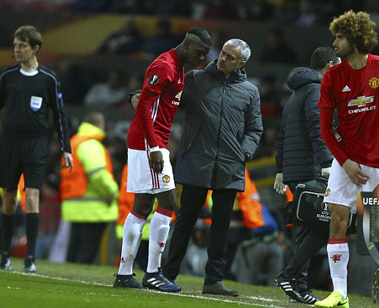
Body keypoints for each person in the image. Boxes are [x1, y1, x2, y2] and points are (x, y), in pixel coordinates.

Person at [314, 11, 379, 308]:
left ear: (357, 39)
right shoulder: (333, 77)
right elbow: (324, 129)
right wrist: (345, 161)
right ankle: (340, 294)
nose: (334, 42)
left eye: (340, 37)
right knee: (336, 219)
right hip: (346, 160)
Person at [162, 38, 263, 296]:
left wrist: (244, 152)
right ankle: (167, 274)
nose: (222, 59)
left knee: (221, 227)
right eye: (223, 54)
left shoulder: (250, 92)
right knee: (185, 222)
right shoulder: (195, 79)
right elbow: (168, 97)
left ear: (242, 63)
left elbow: (255, 129)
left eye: (230, 57)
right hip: (197, 160)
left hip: (229, 166)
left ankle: (214, 281)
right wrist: (140, 95)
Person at [113, 28, 211, 291]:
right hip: (149, 142)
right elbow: (145, 105)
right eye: (199, 52)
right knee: (167, 202)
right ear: (187, 43)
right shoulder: (165, 64)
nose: (201, 58)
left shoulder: (177, 66)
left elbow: (145, 97)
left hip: (152, 141)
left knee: (142, 206)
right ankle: (153, 273)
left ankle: (125, 273)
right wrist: (155, 147)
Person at [0, 25, 73, 273]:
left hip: (37, 144)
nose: (17, 49)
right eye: (15, 44)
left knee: (32, 197)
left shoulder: (48, 79)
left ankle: (30, 257)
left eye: (22, 45)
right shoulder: (7, 77)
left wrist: (66, 148)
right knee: (9, 199)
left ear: (35, 48)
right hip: (10, 143)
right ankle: (5, 254)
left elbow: (59, 114)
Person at [273, 47, 339, 305]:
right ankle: (295, 281)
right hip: (310, 168)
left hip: (295, 170)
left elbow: (282, 133)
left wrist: (280, 169)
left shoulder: (297, 92)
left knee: (306, 229)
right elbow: (317, 125)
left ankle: (297, 286)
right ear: (331, 65)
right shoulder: (315, 90)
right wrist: (326, 162)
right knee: (318, 226)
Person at [60, 112, 118, 264]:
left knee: (75, 249)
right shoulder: (91, 145)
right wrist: (113, 192)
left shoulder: (74, 142)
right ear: (100, 125)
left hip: (75, 204)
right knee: (87, 252)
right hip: (93, 208)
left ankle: (66, 279)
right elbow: (98, 175)